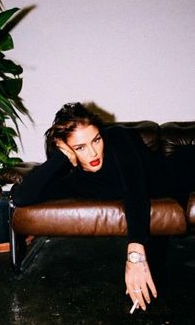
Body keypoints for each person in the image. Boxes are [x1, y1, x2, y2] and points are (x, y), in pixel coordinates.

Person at [12, 102, 195, 312]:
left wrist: (135, 256)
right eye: (80, 147)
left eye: (96, 140)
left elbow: (134, 191)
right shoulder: (74, 180)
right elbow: (21, 197)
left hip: (183, 169)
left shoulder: (117, 138)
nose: (93, 153)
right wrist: (60, 158)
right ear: (66, 147)